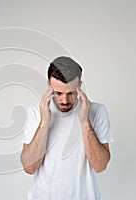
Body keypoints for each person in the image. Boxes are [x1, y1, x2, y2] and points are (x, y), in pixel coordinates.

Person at [20, 56, 113, 199]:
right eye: (58, 93)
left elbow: (100, 165)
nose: (64, 100)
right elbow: (29, 167)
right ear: (49, 86)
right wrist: (44, 122)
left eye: (71, 93)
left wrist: (85, 122)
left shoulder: (97, 111)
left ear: (80, 86)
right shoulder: (35, 112)